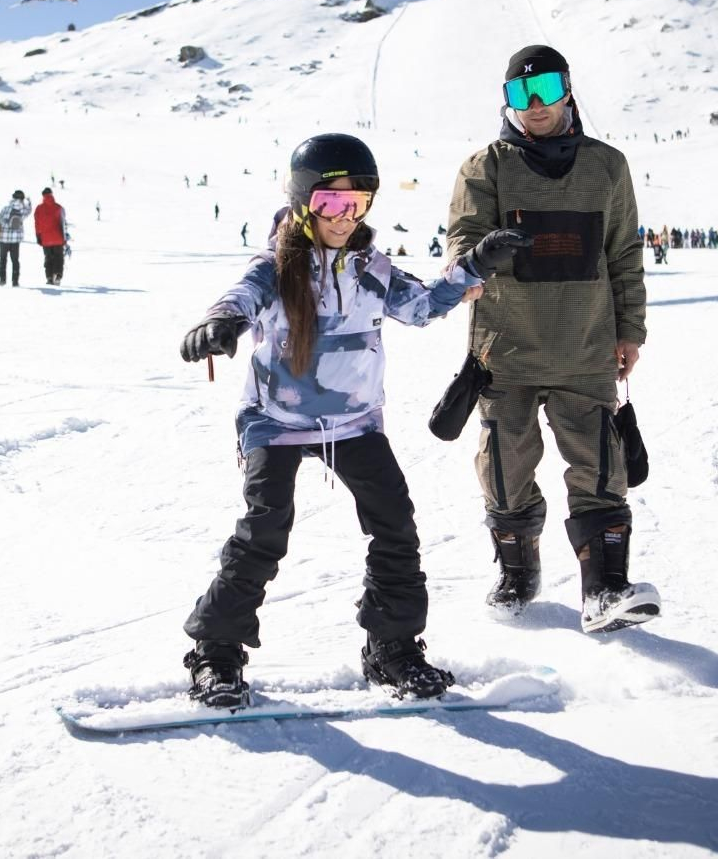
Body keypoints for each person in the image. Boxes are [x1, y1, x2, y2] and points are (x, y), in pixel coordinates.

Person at [179, 132, 517, 708]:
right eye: (331, 203)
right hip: (277, 418)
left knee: (395, 525)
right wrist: (219, 324)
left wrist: (473, 267)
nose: (344, 216)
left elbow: (423, 305)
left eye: (357, 203)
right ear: (302, 201)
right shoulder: (274, 267)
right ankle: (216, 652)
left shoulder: (370, 268)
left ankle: (393, 647)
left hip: (353, 423)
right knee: (266, 528)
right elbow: (238, 297)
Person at [447, 44, 659, 635]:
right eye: (521, 93)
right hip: (504, 348)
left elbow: (623, 252)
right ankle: (518, 571)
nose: (535, 105)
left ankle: (605, 590)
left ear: (568, 89)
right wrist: (479, 254)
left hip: (587, 342)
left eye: (546, 90)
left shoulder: (606, 166)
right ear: (507, 100)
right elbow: (460, 248)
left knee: (598, 466)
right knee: (506, 466)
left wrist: (630, 329)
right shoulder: (483, 168)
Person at [0, 189, 31, 286]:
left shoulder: (5, 208)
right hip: (15, 240)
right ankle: (15, 281)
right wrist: (28, 202)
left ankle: (2, 280)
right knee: (15, 260)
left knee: (3, 259)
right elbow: (29, 210)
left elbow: (0, 220)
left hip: (3, 238)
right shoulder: (22, 210)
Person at [33, 187, 68, 285]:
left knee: (48, 257)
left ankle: (49, 277)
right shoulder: (59, 207)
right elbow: (63, 222)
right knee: (58, 257)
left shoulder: (39, 208)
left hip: (45, 238)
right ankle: (58, 275)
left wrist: (38, 236)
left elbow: (37, 224)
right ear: (52, 194)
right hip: (58, 237)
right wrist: (64, 238)